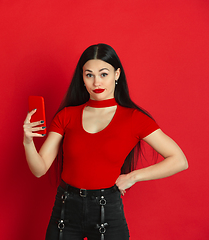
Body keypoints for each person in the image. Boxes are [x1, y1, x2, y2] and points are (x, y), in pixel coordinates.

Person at [22, 43, 188, 240]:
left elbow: (179, 160)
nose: (96, 83)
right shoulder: (67, 116)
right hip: (66, 208)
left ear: (117, 74)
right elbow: (39, 169)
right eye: (89, 75)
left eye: (103, 74)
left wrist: (132, 176)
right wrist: (27, 142)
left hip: (107, 210)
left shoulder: (134, 118)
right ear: (82, 77)